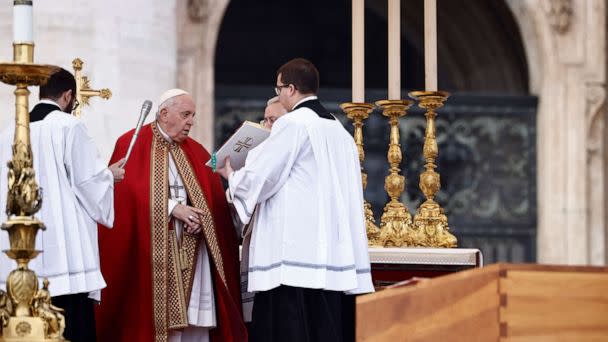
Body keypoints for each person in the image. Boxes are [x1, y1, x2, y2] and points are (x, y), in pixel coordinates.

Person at [218, 58, 374, 342]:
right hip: (332, 254)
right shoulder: (339, 130)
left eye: (279, 89)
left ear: (290, 89)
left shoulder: (293, 124)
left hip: (294, 257)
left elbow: (263, 176)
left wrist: (231, 176)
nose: (278, 95)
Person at [96, 89, 246, 342]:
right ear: (164, 114)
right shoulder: (131, 142)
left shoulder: (198, 151)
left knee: (195, 323)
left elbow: (214, 200)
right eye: (185, 114)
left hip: (191, 249)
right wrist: (173, 208)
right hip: (151, 253)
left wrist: (201, 218)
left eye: (193, 116)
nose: (191, 122)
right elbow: (125, 196)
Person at [0, 68, 125, 342]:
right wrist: (109, 175)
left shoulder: (11, 129)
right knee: (70, 325)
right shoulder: (69, 126)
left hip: (23, 248)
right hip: (64, 252)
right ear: (68, 96)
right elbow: (88, 181)